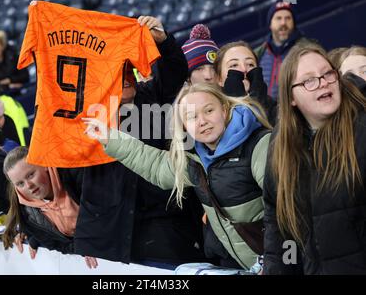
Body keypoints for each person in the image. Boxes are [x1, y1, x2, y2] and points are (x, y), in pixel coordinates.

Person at [84, 82, 272, 270]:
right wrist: (110, 138)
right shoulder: (194, 159)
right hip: (243, 264)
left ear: (224, 110)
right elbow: (155, 165)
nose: (202, 121)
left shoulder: (260, 146)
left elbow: (287, 213)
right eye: (192, 117)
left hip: (279, 263)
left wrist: (276, 263)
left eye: (208, 111)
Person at [70, 16, 207, 268]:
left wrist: (163, 41)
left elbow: (175, 70)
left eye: (128, 70)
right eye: (115, 72)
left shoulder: (153, 96)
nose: (125, 77)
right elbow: (69, 174)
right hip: (107, 234)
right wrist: (89, 232)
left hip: (164, 228)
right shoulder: (87, 114)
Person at [262, 41, 366, 274]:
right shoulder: (280, 146)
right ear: (291, 98)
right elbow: (277, 227)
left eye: (328, 73)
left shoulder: (361, 130)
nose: (322, 83)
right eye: (309, 80)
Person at [2, 146, 97, 269]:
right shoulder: (26, 214)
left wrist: (91, 243)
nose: (29, 185)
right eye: (20, 184)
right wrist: (82, 247)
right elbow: (57, 244)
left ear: (44, 164)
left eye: (31, 175)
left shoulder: (75, 173)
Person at [215, 41, 277, 125]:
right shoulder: (213, 114)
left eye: (250, 64)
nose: (244, 69)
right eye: (234, 65)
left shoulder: (278, 109)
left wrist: (259, 102)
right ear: (219, 79)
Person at [255, 1, 305, 100]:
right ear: (270, 24)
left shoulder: (305, 50)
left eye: (288, 18)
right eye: (278, 18)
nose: (283, 23)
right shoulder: (258, 53)